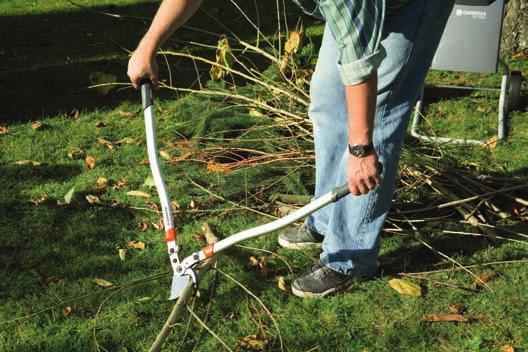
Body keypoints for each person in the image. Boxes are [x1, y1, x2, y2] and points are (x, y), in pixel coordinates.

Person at [128, 0, 455, 298]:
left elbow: (359, 66)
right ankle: (325, 220)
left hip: (411, 6)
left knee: (377, 118)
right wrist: (149, 44)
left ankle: (350, 258)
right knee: (327, 99)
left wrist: (360, 150)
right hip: (358, 11)